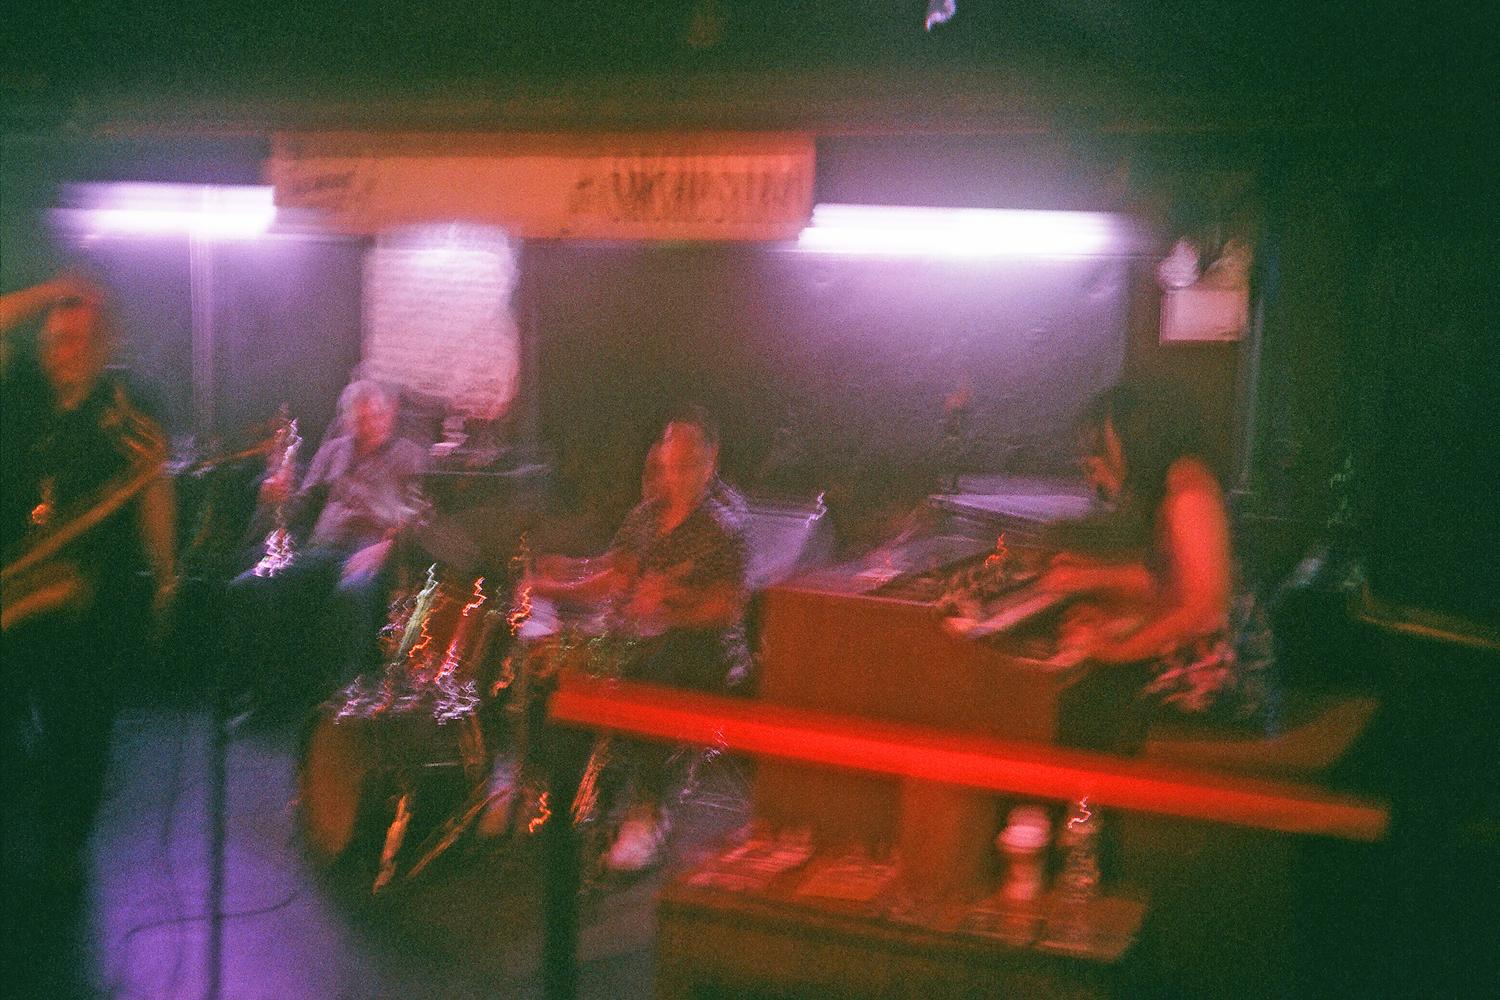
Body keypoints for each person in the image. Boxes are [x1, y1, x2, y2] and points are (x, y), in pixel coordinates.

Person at [2, 275, 176, 996]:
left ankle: (63, 852)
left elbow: (155, 485)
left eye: (75, 338)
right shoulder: (21, 394)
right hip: (20, 590)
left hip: (94, 602)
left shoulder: (127, 404)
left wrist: (165, 576)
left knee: (81, 732)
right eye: (53, 338)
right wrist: (53, 291)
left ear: (101, 343)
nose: (60, 351)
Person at [523, 411, 749, 871]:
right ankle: (551, 788)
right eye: (671, 463)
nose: (677, 474)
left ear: (711, 462)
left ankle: (646, 810)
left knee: (653, 667)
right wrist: (553, 587)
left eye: (688, 464)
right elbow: (616, 576)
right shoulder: (645, 518)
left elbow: (727, 607)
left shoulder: (721, 527)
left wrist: (669, 604)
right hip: (635, 637)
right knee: (553, 658)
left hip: (698, 648)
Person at [1039, 377, 1276, 752]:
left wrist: (1113, 647)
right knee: (1077, 685)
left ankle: (1082, 791)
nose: (1098, 463)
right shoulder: (1178, 481)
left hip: (1227, 681)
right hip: (1210, 659)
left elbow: (1204, 612)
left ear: (1138, 439)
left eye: (1105, 447)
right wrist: (1109, 608)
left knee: (1081, 702)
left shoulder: (1190, 492)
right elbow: (1168, 580)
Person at [229, 378, 428, 713]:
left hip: (372, 550)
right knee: (250, 585)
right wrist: (275, 495)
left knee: (351, 595)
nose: (370, 426)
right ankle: (264, 695)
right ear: (347, 421)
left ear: (388, 415)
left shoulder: (409, 456)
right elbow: (298, 507)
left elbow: (419, 518)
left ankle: (341, 705)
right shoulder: (333, 451)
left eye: (376, 417)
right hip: (322, 548)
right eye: (360, 420)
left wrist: (386, 548)